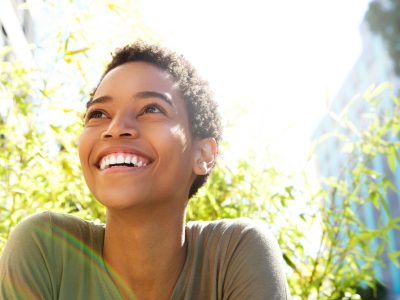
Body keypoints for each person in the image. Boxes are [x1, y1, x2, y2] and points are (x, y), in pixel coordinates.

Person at [0, 42, 290, 299]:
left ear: (202, 154)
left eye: (151, 109)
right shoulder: (46, 247)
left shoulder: (235, 255)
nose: (116, 129)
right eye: (98, 114)